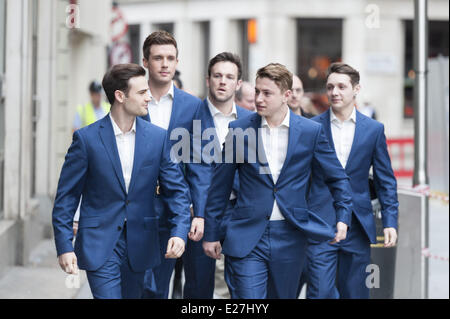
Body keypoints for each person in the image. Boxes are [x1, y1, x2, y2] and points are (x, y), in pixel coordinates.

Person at [202, 63, 353, 299]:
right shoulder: (239, 129)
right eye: (257, 92)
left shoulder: (310, 131)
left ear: (286, 95)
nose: (258, 99)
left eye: (267, 93)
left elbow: (337, 178)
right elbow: (219, 186)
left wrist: (343, 217)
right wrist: (211, 233)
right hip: (247, 235)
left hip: (291, 234)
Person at [52, 63, 191, 299]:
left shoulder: (157, 138)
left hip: (141, 243)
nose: (149, 97)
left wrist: (179, 231)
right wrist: (64, 246)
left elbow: (176, 190)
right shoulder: (86, 140)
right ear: (120, 96)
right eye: (141, 92)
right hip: (100, 243)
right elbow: (66, 198)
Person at [306, 62, 398, 299]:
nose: (334, 92)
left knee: (355, 293)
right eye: (330, 87)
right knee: (321, 292)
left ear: (356, 89)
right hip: (320, 221)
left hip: (358, 224)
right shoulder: (311, 128)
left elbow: (385, 179)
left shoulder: (373, 130)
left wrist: (390, 221)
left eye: (341, 87)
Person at [140, 30, 206, 299]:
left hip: (172, 209)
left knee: (157, 287)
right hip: (135, 207)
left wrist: (198, 210)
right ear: (146, 62)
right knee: (133, 284)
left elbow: (201, 162)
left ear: (177, 62)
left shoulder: (193, 106)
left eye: (170, 58)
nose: (165, 64)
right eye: (158, 58)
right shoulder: (133, 100)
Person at [188, 52, 252, 299]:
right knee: (199, 286)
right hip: (200, 214)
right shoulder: (190, 118)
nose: (222, 81)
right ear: (208, 80)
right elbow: (177, 168)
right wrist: (195, 209)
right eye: (217, 76)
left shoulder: (251, 121)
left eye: (229, 77)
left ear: (238, 84)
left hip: (239, 213)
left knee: (243, 287)